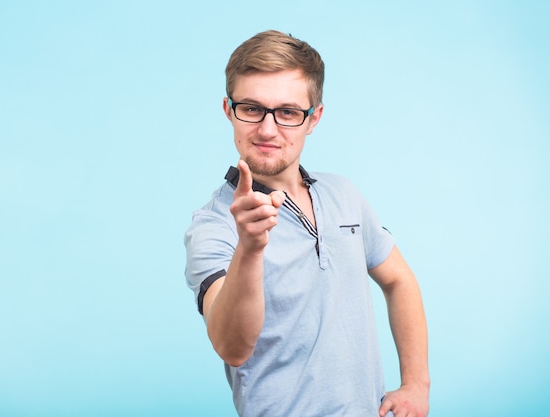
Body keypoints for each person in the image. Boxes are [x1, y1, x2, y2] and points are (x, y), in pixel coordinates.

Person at [184, 30, 429, 417]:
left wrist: (416, 385)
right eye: (251, 108)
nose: (267, 129)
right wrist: (250, 248)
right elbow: (231, 347)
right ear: (229, 110)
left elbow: (399, 280)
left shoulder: (344, 195)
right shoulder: (214, 226)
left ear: (313, 118)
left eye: (287, 112)